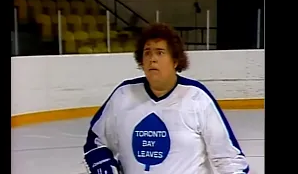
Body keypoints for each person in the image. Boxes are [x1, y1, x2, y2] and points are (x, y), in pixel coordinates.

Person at [82, 23, 249, 174]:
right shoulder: (123, 95)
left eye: (160, 52)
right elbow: (96, 140)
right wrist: (101, 163)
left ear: (175, 61)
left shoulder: (197, 97)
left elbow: (229, 159)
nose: (152, 58)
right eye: (147, 53)